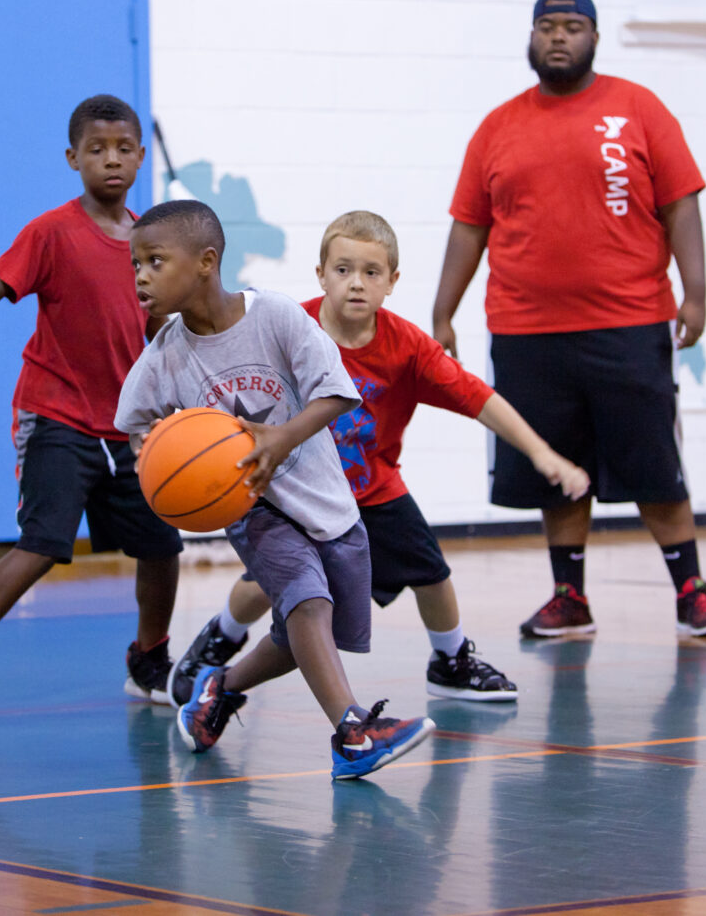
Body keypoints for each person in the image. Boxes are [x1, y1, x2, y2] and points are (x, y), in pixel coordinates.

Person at [169, 210, 590, 707]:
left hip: (373, 490)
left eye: (371, 272)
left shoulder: (407, 346)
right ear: (321, 274)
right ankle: (220, 638)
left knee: (432, 573)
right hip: (296, 492)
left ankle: (450, 660)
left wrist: (542, 454)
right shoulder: (289, 328)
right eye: (343, 269)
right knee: (265, 584)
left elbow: (478, 398)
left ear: (392, 282)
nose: (356, 283)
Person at [431, 0, 706, 640]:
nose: (558, 36)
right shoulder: (497, 126)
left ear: (594, 37)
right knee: (553, 466)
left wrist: (696, 291)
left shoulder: (638, 109)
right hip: (526, 329)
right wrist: (443, 311)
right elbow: (468, 225)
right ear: (531, 38)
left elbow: (681, 202)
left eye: (572, 26)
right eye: (547, 26)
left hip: (629, 321)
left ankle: (692, 592)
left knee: (652, 462)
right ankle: (569, 597)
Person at [0, 94, 185, 725]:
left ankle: (150, 660)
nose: (112, 159)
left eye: (124, 148)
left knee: (162, 544)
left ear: (141, 156)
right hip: (56, 416)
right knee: (43, 543)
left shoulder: (149, 243)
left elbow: (159, 333)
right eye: (97, 149)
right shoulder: (51, 233)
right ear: (73, 158)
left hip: (127, 427)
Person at [115, 199, 434, 780]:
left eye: (155, 261)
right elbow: (133, 421)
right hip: (253, 510)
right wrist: (160, 456)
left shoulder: (276, 317)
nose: (141, 275)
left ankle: (219, 689)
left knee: (299, 638)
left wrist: (282, 438)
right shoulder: (163, 358)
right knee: (309, 603)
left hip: (325, 499)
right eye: (136, 264)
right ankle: (354, 734)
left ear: (206, 261)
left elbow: (336, 392)